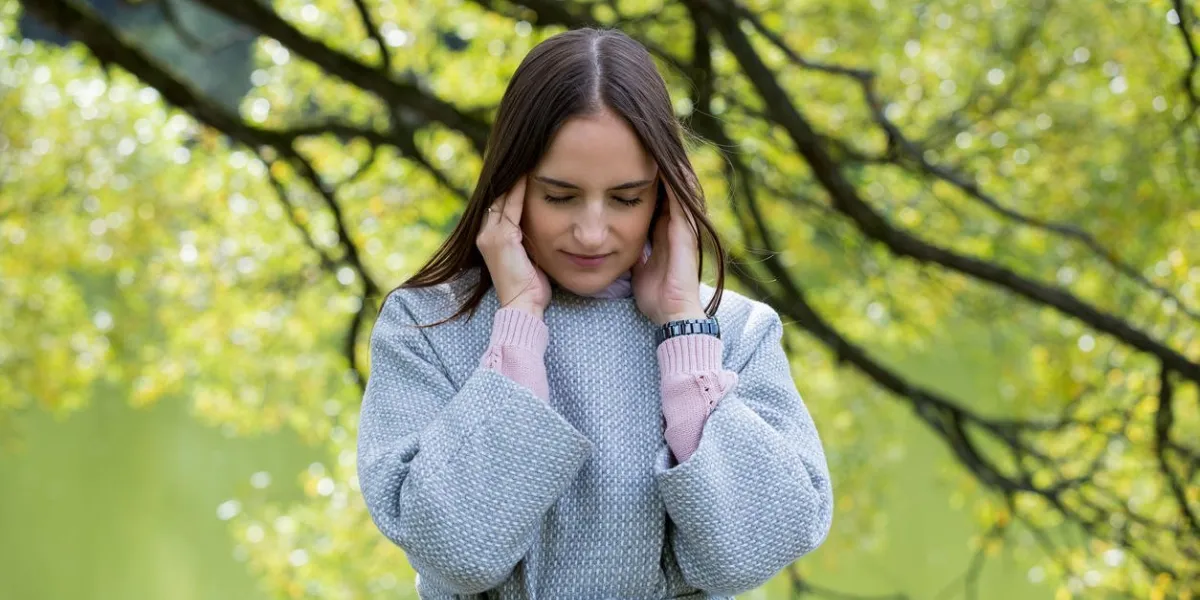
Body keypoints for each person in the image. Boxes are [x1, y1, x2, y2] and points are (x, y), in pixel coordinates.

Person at [356, 27, 833, 599]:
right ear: (508, 186)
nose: (590, 232)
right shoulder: (426, 327)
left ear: (666, 196)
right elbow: (458, 554)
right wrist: (519, 327)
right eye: (559, 195)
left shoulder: (735, 332)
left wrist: (684, 332)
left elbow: (753, 551)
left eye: (627, 198)